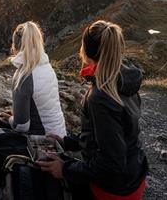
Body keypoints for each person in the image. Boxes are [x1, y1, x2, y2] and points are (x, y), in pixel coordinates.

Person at [37, 20, 149, 200]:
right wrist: (68, 142)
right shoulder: (124, 80)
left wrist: (65, 169)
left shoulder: (101, 97)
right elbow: (113, 135)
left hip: (113, 190)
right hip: (133, 176)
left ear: (87, 52)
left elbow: (111, 164)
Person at [0, 21, 66, 137]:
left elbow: (22, 126)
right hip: (60, 135)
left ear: (15, 45)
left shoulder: (24, 75)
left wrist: (10, 119)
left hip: (42, 141)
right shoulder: (47, 67)